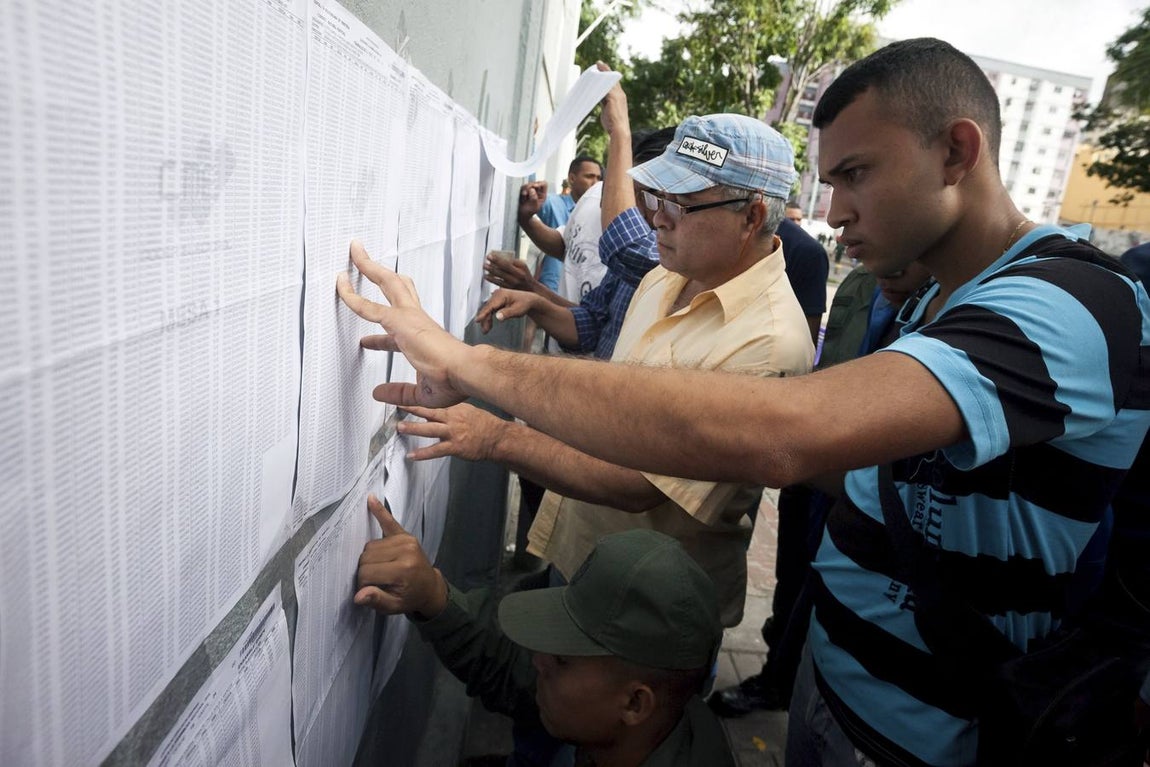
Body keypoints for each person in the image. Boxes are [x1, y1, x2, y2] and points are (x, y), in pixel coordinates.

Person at [336, 39, 1150, 765]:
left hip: (937, 726)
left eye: (856, 175)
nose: (832, 212)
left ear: (957, 151)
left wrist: (472, 369)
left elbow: (787, 437)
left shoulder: (1071, 304)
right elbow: (865, 476)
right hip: (835, 692)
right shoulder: (928, 299)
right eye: (830, 181)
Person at [385, 112, 813, 630]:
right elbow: (613, 392)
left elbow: (635, 483)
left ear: (751, 217)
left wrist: (495, 434)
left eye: (680, 205)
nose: (658, 219)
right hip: (580, 553)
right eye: (655, 199)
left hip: (645, 611)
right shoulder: (667, 274)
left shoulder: (768, 345)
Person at [354, 496, 734, 767]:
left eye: (563, 660)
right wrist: (432, 594)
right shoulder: (632, 721)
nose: (539, 660)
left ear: (636, 704)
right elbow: (512, 670)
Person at [708, 262, 932, 718]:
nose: (842, 223)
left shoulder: (946, 299)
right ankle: (777, 675)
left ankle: (801, 682)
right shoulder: (861, 277)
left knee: (824, 591)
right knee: (793, 576)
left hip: (868, 486)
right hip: (811, 471)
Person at [532, 156, 603, 293]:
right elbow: (528, 187)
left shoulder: (600, 214)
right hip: (549, 293)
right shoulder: (554, 204)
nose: (595, 183)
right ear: (571, 178)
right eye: (589, 176)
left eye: (598, 178)